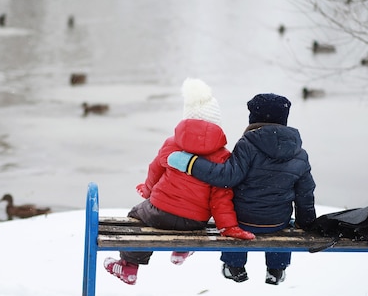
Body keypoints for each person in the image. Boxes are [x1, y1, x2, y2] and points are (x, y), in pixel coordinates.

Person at [104, 78, 256, 285]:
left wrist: (148, 191)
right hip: (194, 222)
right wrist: (228, 226)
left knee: (136, 215)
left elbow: (154, 170)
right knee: (190, 218)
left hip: (158, 212)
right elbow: (221, 198)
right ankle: (182, 249)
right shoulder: (222, 156)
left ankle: (129, 266)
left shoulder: (172, 144)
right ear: (216, 122)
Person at [167, 93, 316, 285]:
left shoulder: (247, 145)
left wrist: (191, 163)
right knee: (286, 222)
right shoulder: (299, 153)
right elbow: (305, 193)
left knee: (235, 217)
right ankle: (276, 269)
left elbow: (227, 177)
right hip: (277, 222)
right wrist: (306, 223)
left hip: (243, 221)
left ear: (253, 119)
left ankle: (234, 265)